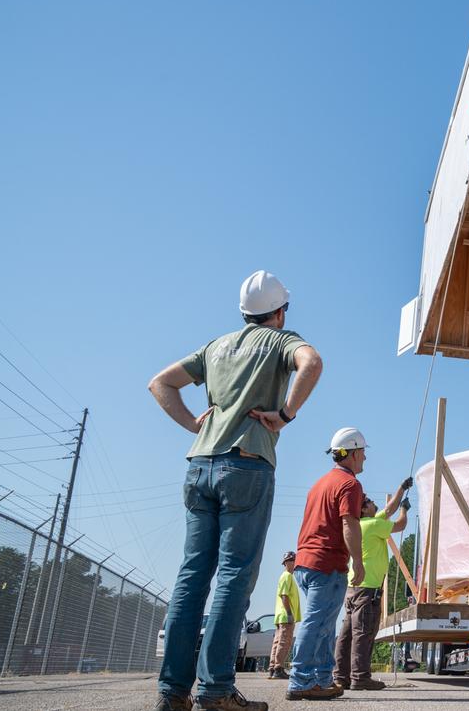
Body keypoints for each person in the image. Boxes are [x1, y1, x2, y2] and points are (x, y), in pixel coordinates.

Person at [150, 270, 323, 711]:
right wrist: (285, 414)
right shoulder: (281, 341)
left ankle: (173, 693)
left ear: (244, 312)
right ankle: (215, 690)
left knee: (192, 577)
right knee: (234, 575)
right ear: (280, 312)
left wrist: (193, 425)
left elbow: (160, 383)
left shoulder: (215, 346)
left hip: (199, 464)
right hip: (246, 462)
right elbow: (312, 362)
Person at [287, 428, 369, 701]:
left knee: (325, 625)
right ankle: (300, 681)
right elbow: (349, 522)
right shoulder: (350, 485)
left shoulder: (320, 483)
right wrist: (358, 561)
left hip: (305, 563)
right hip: (327, 564)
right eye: (364, 453)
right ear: (354, 453)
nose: (365, 459)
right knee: (315, 624)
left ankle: (322, 678)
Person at [334, 482, 411, 691]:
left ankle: (341, 676)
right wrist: (405, 509)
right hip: (368, 589)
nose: (372, 502)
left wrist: (401, 489)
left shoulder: (363, 524)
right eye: (368, 502)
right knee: (363, 632)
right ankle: (360, 677)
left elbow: (388, 510)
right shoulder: (373, 525)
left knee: (348, 633)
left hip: (354, 587)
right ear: (363, 509)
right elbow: (400, 524)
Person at [268, 552, 300, 679]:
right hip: (285, 615)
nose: (293, 563)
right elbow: (284, 596)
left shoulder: (286, 576)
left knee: (277, 642)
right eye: (291, 560)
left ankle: (272, 667)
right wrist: (289, 613)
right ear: (286, 563)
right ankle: (278, 668)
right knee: (284, 642)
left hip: (280, 615)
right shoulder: (287, 576)